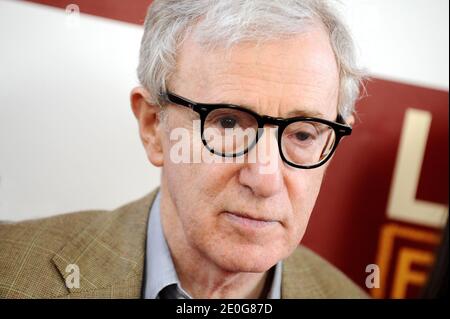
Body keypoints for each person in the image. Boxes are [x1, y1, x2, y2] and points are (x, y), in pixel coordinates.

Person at [0, 0, 368, 299]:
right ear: (153, 126)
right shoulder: (10, 271)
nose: (266, 179)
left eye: (303, 135)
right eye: (228, 123)